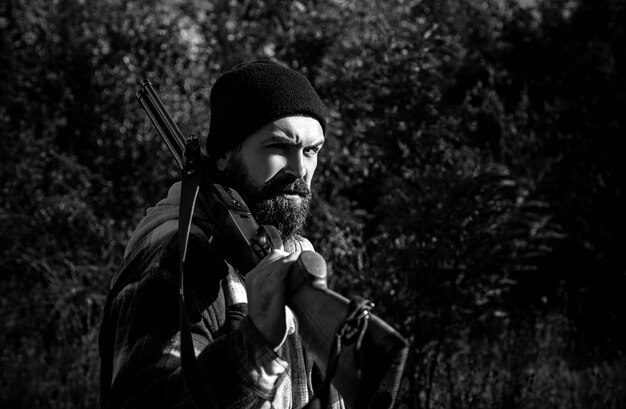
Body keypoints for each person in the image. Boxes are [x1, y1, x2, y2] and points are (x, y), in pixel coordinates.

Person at [98, 60, 344, 409]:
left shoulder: (290, 254)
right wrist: (255, 345)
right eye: (278, 146)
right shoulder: (179, 255)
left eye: (311, 150)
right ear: (226, 155)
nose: (301, 168)